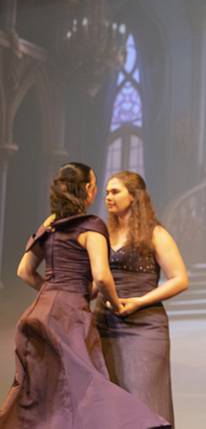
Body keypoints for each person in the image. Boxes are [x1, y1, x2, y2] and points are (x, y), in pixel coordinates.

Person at [0, 162, 168, 428]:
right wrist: (114, 303)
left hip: (37, 313)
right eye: (96, 185)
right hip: (69, 315)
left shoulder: (50, 224)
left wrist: (51, 289)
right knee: (87, 390)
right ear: (88, 189)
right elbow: (102, 276)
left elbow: (24, 271)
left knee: (41, 395)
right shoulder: (92, 226)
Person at [94, 171, 189, 425]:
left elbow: (180, 279)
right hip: (105, 323)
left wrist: (140, 301)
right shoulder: (102, 234)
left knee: (145, 399)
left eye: (115, 192)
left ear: (134, 197)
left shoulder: (155, 233)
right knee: (110, 399)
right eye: (106, 193)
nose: (108, 197)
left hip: (145, 325)